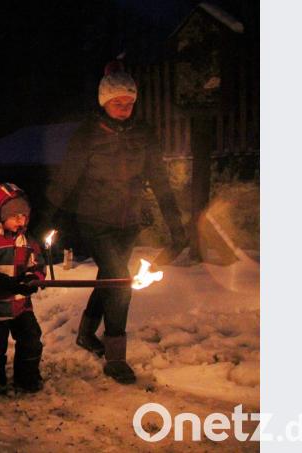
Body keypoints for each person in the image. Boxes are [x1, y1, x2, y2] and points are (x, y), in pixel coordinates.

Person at [44, 61, 187, 384]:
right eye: (117, 102)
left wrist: (176, 225)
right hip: (95, 220)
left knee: (110, 277)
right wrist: (43, 219)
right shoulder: (87, 135)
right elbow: (65, 180)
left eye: (129, 103)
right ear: (104, 102)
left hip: (129, 221)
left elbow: (160, 180)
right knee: (120, 283)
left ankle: (85, 333)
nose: (124, 108)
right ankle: (115, 357)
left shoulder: (144, 134)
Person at [0, 183, 46, 394]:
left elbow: (38, 265)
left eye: (23, 216)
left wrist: (34, 278)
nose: (20, 220)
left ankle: (27, 377)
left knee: (31, 339)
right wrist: (4, 282)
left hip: (21, 305)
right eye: (14, 216)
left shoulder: (28, 242)